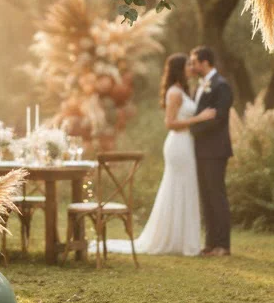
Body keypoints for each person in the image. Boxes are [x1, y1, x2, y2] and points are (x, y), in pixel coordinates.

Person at [99, 52, 216, 257]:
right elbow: (170, 123)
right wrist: (200, 118)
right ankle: (173, 240)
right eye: (188, 64)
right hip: (178, 144)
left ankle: (182, 240)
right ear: (180, 69)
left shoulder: (183, 90)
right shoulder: (174, 93)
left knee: (185, 188)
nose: (192, 68)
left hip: (186, 143)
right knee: (177, 187)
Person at [188, 46, 234, 256]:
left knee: (217, 196)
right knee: (206, 197)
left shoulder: (221, 85)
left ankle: (223, 245)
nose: (192, 65)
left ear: (205, 62)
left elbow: (219, 117)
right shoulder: (200, 85)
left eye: (194, 61)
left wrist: (192, 128)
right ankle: (210, 243)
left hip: (215, 150)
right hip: (200, 150)